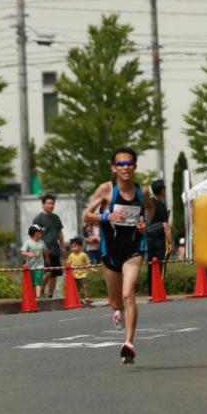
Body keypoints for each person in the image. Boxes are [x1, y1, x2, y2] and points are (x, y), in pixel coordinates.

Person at [83, 146, 155, 363]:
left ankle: (129, 343)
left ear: (135, 166)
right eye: (121, 164)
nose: (126, 167)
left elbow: (151, 209)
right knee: (115, 301)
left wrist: (145, 223)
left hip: (133, 248)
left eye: (129, 163)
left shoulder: (141, 191)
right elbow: (86, 215)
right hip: (110, 251)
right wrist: (106, 216)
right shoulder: (106, 189)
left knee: (128, 294)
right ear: (114, 168)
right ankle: (117, 311)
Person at [31, 194, 66, 299]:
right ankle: (40, 290)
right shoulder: (38, 219)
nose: (51, 205)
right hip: (44, 251)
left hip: (55, 249)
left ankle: (50, 296)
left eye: (53, 203)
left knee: (54, 274)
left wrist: (62, 246)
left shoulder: (56, 217)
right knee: (47, 273)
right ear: (43, 205)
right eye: (49, 203)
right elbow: (34, 236)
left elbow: (60, 233)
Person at [145, 179, 173, 295]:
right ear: (162, 191)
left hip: (148, 238)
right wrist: (171, 242)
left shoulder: (148, 204)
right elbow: (166, 226)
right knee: (160, 264)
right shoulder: (161, 206)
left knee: (151, 264)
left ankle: (151, 290)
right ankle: (159, 289)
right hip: (159, 240)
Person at [66, 238, 93, 306]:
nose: (73, 248)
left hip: (83, 274)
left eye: (75, 246)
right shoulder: (71, 255)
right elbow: (68, 263)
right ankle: (78, 299)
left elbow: (88, 262)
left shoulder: (83, 254)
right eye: (72, 247)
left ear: (80, 246)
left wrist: (91, 268)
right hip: (74, 275)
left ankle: (87, 298)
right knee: (77, 288)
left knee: (85, 285)